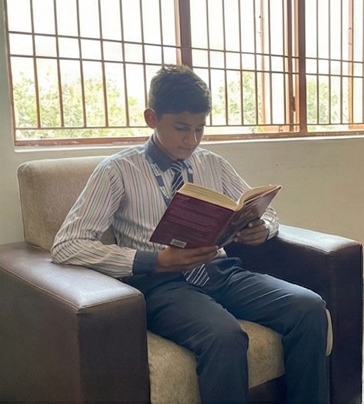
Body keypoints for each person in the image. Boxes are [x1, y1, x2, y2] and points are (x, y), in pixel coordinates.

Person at [51, 64, 328, 404]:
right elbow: (67, 244)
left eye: (200, 129)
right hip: (162, 285)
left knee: (308, 307)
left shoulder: (212, 163)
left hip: (221, 272)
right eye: (182, 128)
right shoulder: (117, 171)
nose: (192, 140)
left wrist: (261, 228)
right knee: (224, 336)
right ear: (152, 118)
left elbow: (265, 210)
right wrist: (153, 260)